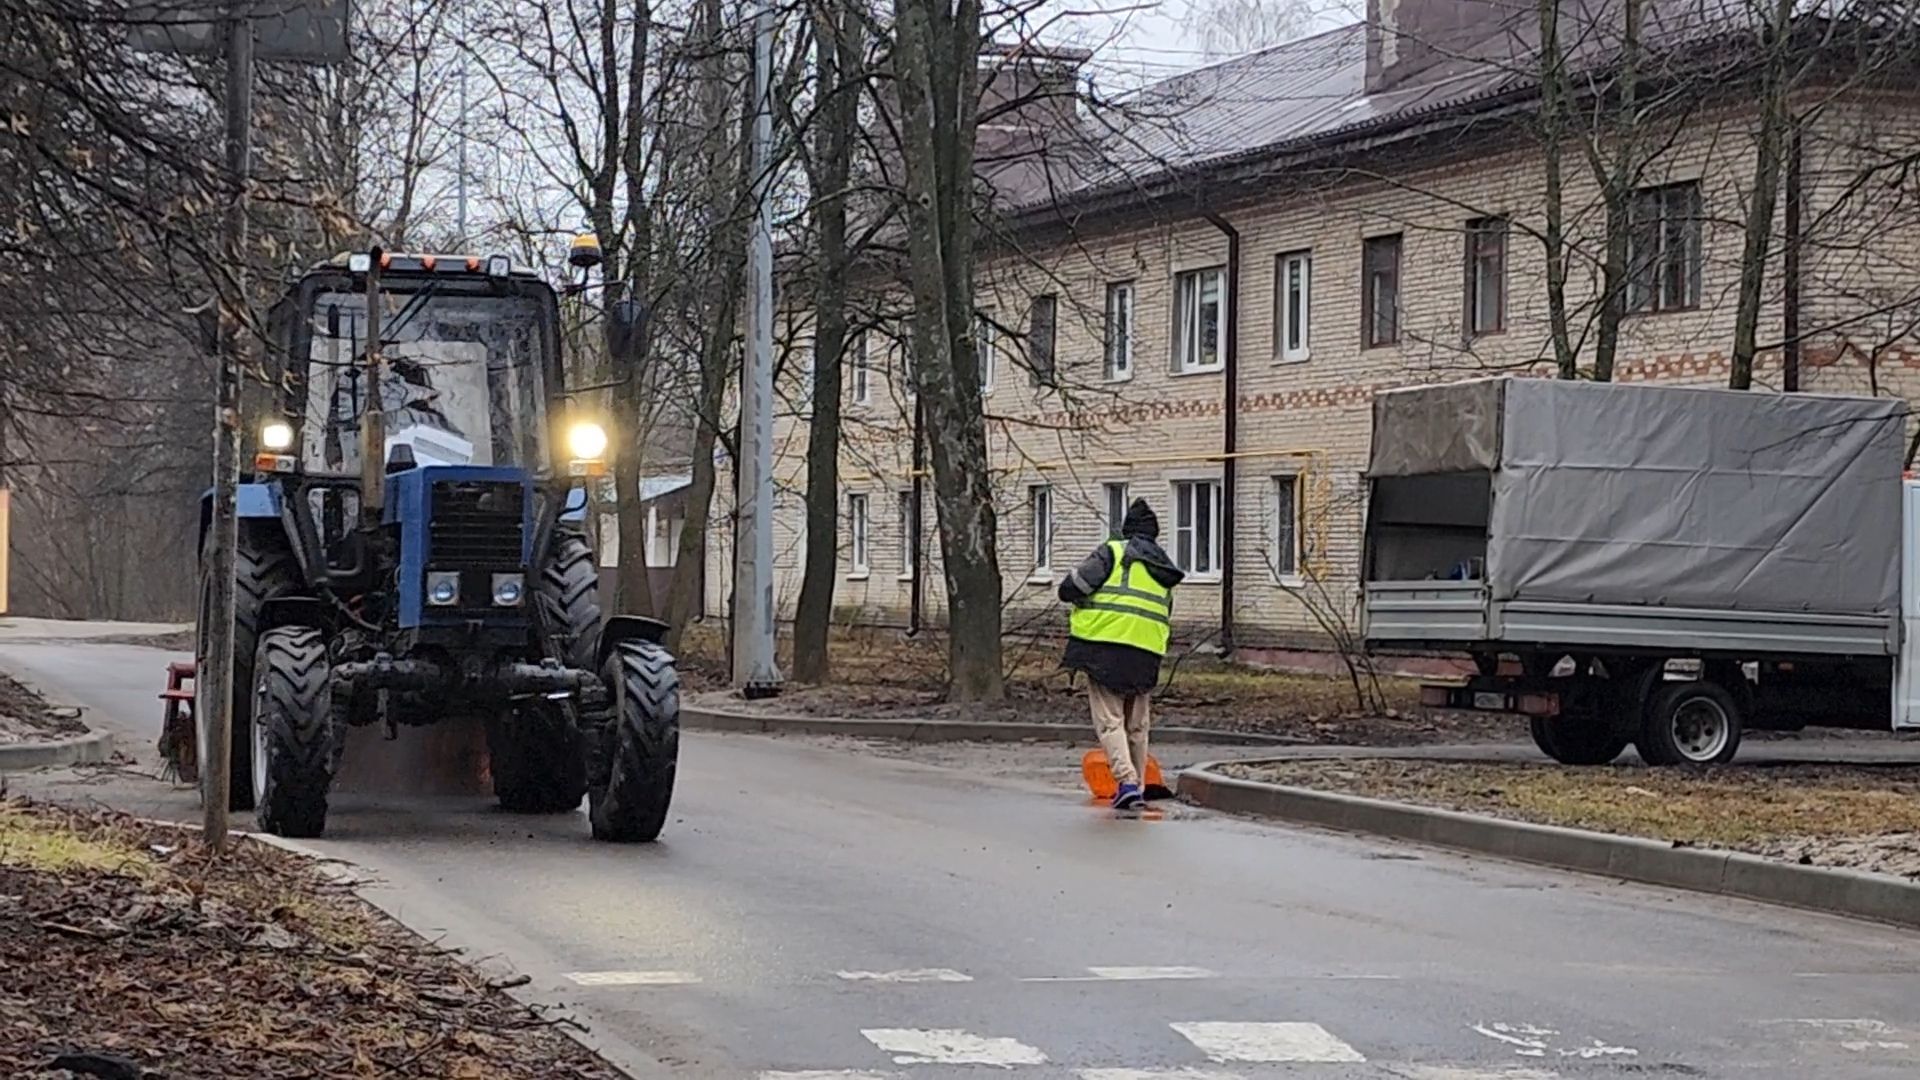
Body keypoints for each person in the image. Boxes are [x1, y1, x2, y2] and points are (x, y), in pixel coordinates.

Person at [1058, 498, 1185, 810]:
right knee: (1138, 725)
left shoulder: (1113, 552)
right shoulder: (1162, 568)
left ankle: (1126, 782)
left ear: (1126, 530)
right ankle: (1138, 786)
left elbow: (1074, 586)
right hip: (1146, 653)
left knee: (1110, 720)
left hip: (1104, 647)